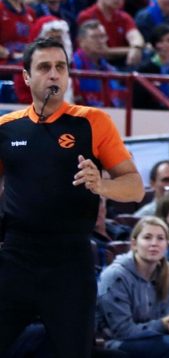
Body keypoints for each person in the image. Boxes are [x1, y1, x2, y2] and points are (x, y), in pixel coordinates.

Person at [0, 36, 144, 356]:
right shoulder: (6, 128)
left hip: (70, 261)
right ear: (26, 77)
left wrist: (101, 185)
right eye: (44, 67)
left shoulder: (93, 121)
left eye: (61, 67)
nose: (54, 74)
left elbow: (135, 187)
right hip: (16, 256)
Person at [96, 217, 169, 357]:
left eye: (160, 238)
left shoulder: (168, 274)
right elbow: (122, 331)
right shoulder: (116, 275)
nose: (154, 243)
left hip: (152, 337)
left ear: (166, 245)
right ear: (134, 244)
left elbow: (166, 317)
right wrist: (163, 324)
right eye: (147, 237)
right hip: (115, 341)